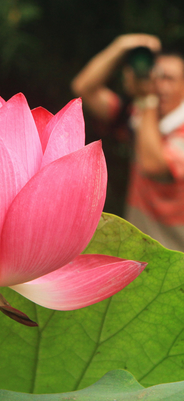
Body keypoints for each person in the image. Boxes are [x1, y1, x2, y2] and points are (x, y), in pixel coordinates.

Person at [71, 34, 184, 251]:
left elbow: (153, 165)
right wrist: (121, 46)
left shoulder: (154, 117)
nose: (158, 86)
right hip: (138, 254)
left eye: (168, 78)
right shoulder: (139, 118)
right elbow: (83, 88)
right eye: (154, 76)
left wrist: (146, 100)